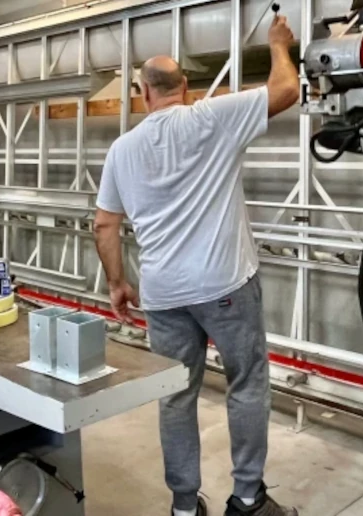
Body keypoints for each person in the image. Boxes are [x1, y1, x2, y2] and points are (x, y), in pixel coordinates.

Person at [93, 14, 300, 516]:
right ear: (185, 87)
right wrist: (278, 44)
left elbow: (104, 225)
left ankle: (184, 507)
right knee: (246, 383)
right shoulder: (212, 116)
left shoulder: (122, 150)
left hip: (163, 295)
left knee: (175, 395)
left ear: (144, 93)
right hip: (225, 284)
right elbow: (286, 89)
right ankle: (247, 498)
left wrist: (118, 283)